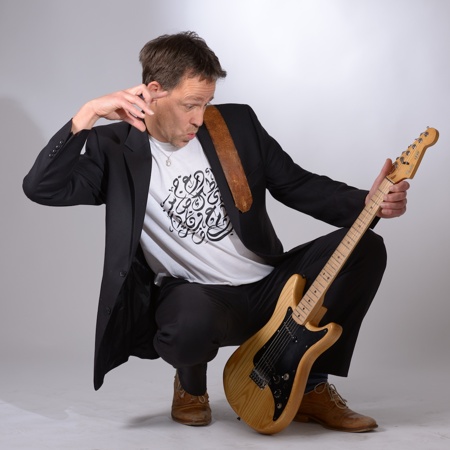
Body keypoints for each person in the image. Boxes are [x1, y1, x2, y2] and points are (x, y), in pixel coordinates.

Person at [23, 31, 409, 432]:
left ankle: (311, 387)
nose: (199, 117)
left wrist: (368, 202)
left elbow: (296, 185)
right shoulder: (113, 148)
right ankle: (191, 387)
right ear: (153, 92)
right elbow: (42, 188)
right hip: (201, 299)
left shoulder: (235, 125)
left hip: (272, 289)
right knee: (187, 322)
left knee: (365, 247)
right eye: (190, 104)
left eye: (205, 103)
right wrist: (86, 114)